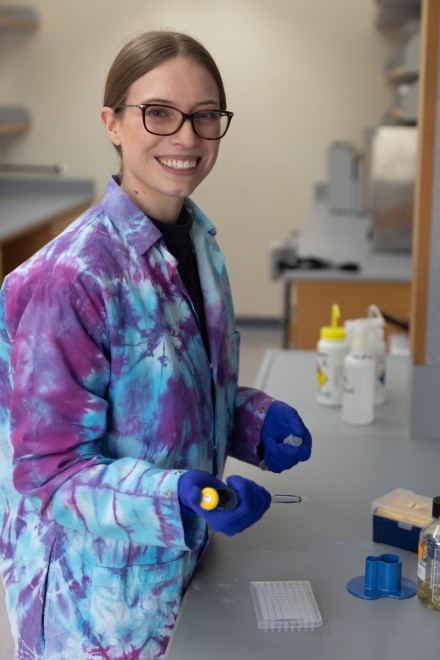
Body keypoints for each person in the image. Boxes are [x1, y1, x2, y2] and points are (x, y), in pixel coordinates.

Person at [0, 30, 312, 659]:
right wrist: (174, 495)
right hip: (94, 604)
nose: (187, 138)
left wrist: (250, 420)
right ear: (112, 124)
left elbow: (170, 391)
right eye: (159, 114)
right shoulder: (73, 278)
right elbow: (51, 476)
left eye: (204, 117)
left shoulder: (195, 241)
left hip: (176, 571)